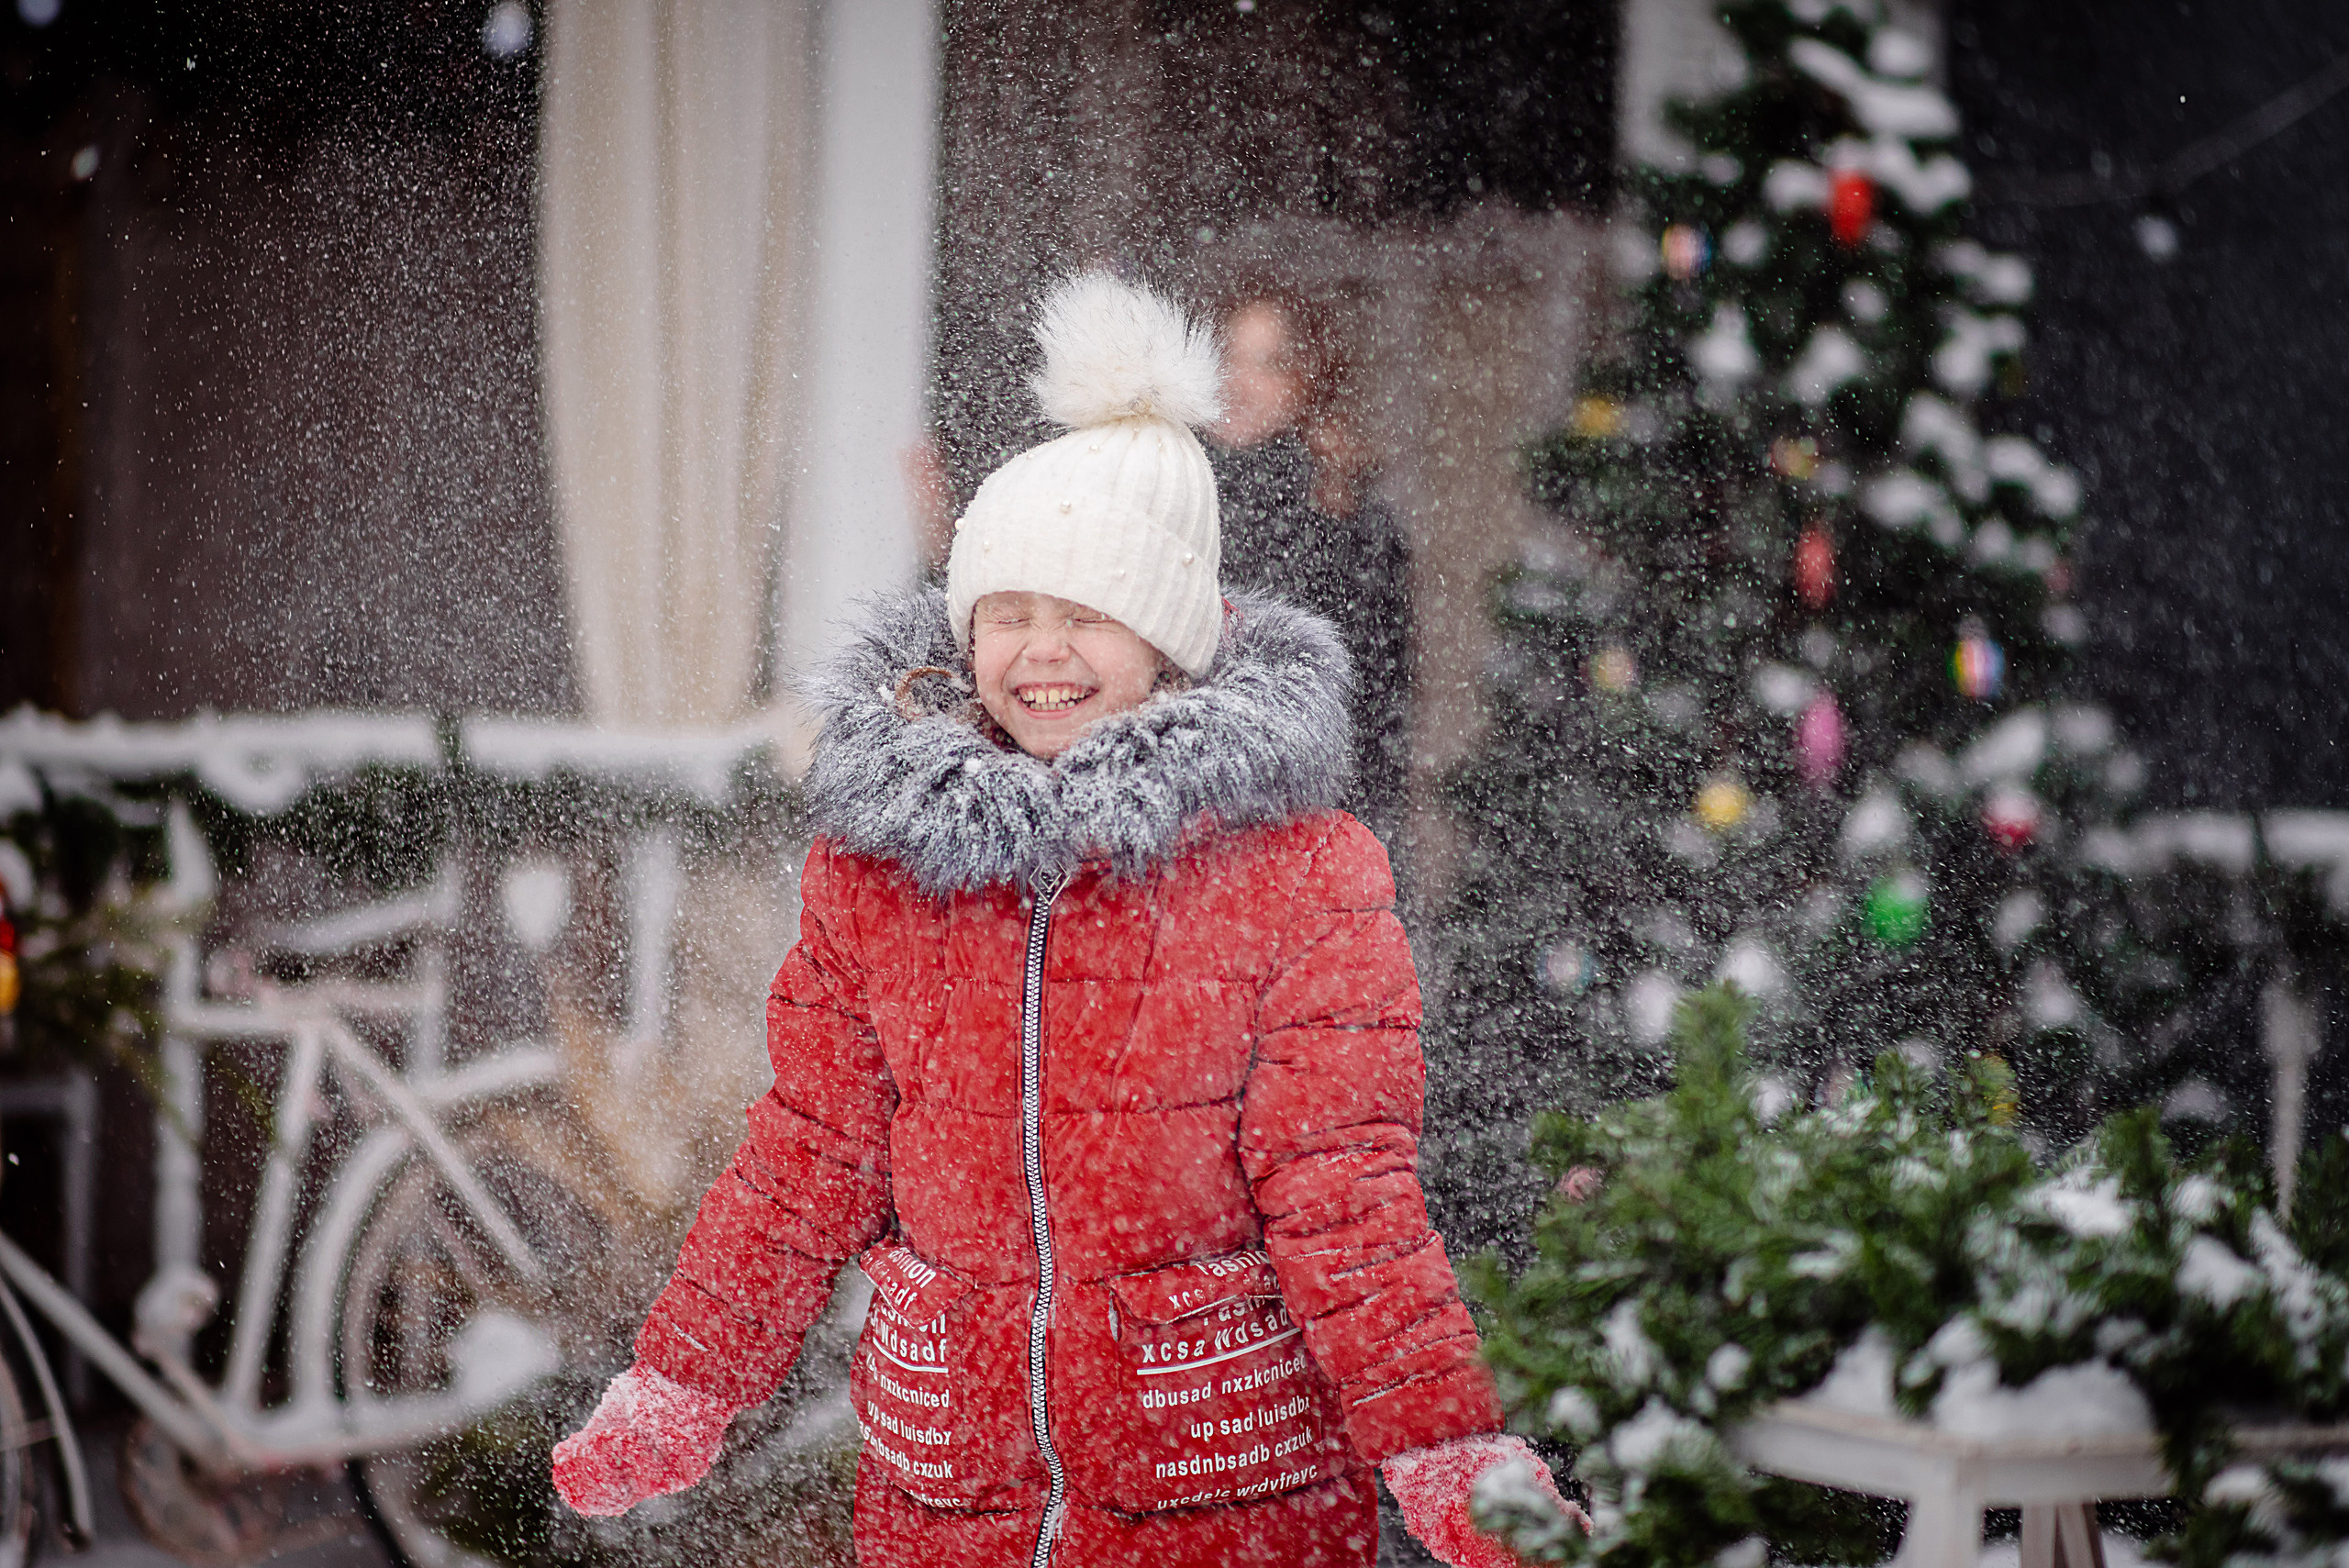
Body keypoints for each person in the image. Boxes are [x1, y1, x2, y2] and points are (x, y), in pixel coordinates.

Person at [548, 274, 1581, 1567]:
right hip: (949, 1497)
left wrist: (1445, 1444)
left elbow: (1344, 1195)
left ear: (1172, 641)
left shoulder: (1301, 875)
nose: (1042, 650)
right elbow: (809, 1156)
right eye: (1009, 611)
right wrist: (685, 1378)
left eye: (1090, 612)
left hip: (1215, 1493)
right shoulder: (883, 872)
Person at [1208, 290, 1415, 850]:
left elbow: (1377, 705)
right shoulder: (1168, 489)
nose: (1240, 382)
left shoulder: (1347, 518)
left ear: (1309, 381)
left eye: (1269, 364)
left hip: (1295, 826)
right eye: (1227, 357)